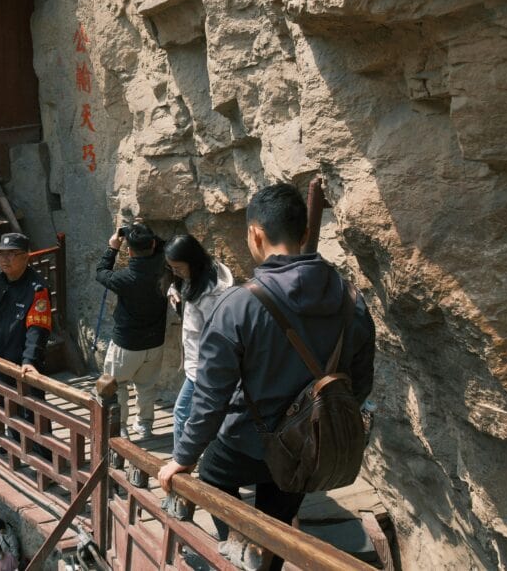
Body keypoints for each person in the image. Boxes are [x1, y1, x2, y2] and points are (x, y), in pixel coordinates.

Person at [158, 183, 376, 571]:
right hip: (308, 447)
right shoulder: (352, 300)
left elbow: (210, 398)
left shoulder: (239, 305)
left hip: (246, 442)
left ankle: (242, 547)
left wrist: (182, 457)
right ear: (304, 233)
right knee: (276, 528)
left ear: (255, 234)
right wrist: (308, 421)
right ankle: (261, 557)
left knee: (211, 476)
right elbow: (358, 384)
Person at [0, 233, 53, 456]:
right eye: (1, 254)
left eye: (11, 254)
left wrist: (30, 361)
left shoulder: (36, 289)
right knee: (7, 403)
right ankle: (17, 447)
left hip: (23, 362)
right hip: (0, 356)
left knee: (34, 409)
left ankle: (46, 457)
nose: (4, 259)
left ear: (25, 257)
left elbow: (38, 329)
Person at [95, 223, 168, 439]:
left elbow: (101, 272)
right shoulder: (165, 269)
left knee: (116, 386)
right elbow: (162, 246)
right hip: (155, 342)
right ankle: (144, 425)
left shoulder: (124, 278)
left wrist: (112, 248)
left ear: (129, 251)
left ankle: (121, 428)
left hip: (126, 343)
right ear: (153, 244)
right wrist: (144, 233)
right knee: (147, 386)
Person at [164, 234, 235, 448]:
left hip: (204, 367)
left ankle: (180, 461)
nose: (175, 272)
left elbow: (217, 337)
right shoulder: (200, 275)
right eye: (171, 268)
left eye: (178, 268)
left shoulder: (212, 295)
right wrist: (175, 293)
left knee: (182, 413)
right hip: (199, 365)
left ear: (192, 261)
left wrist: (205, 371)